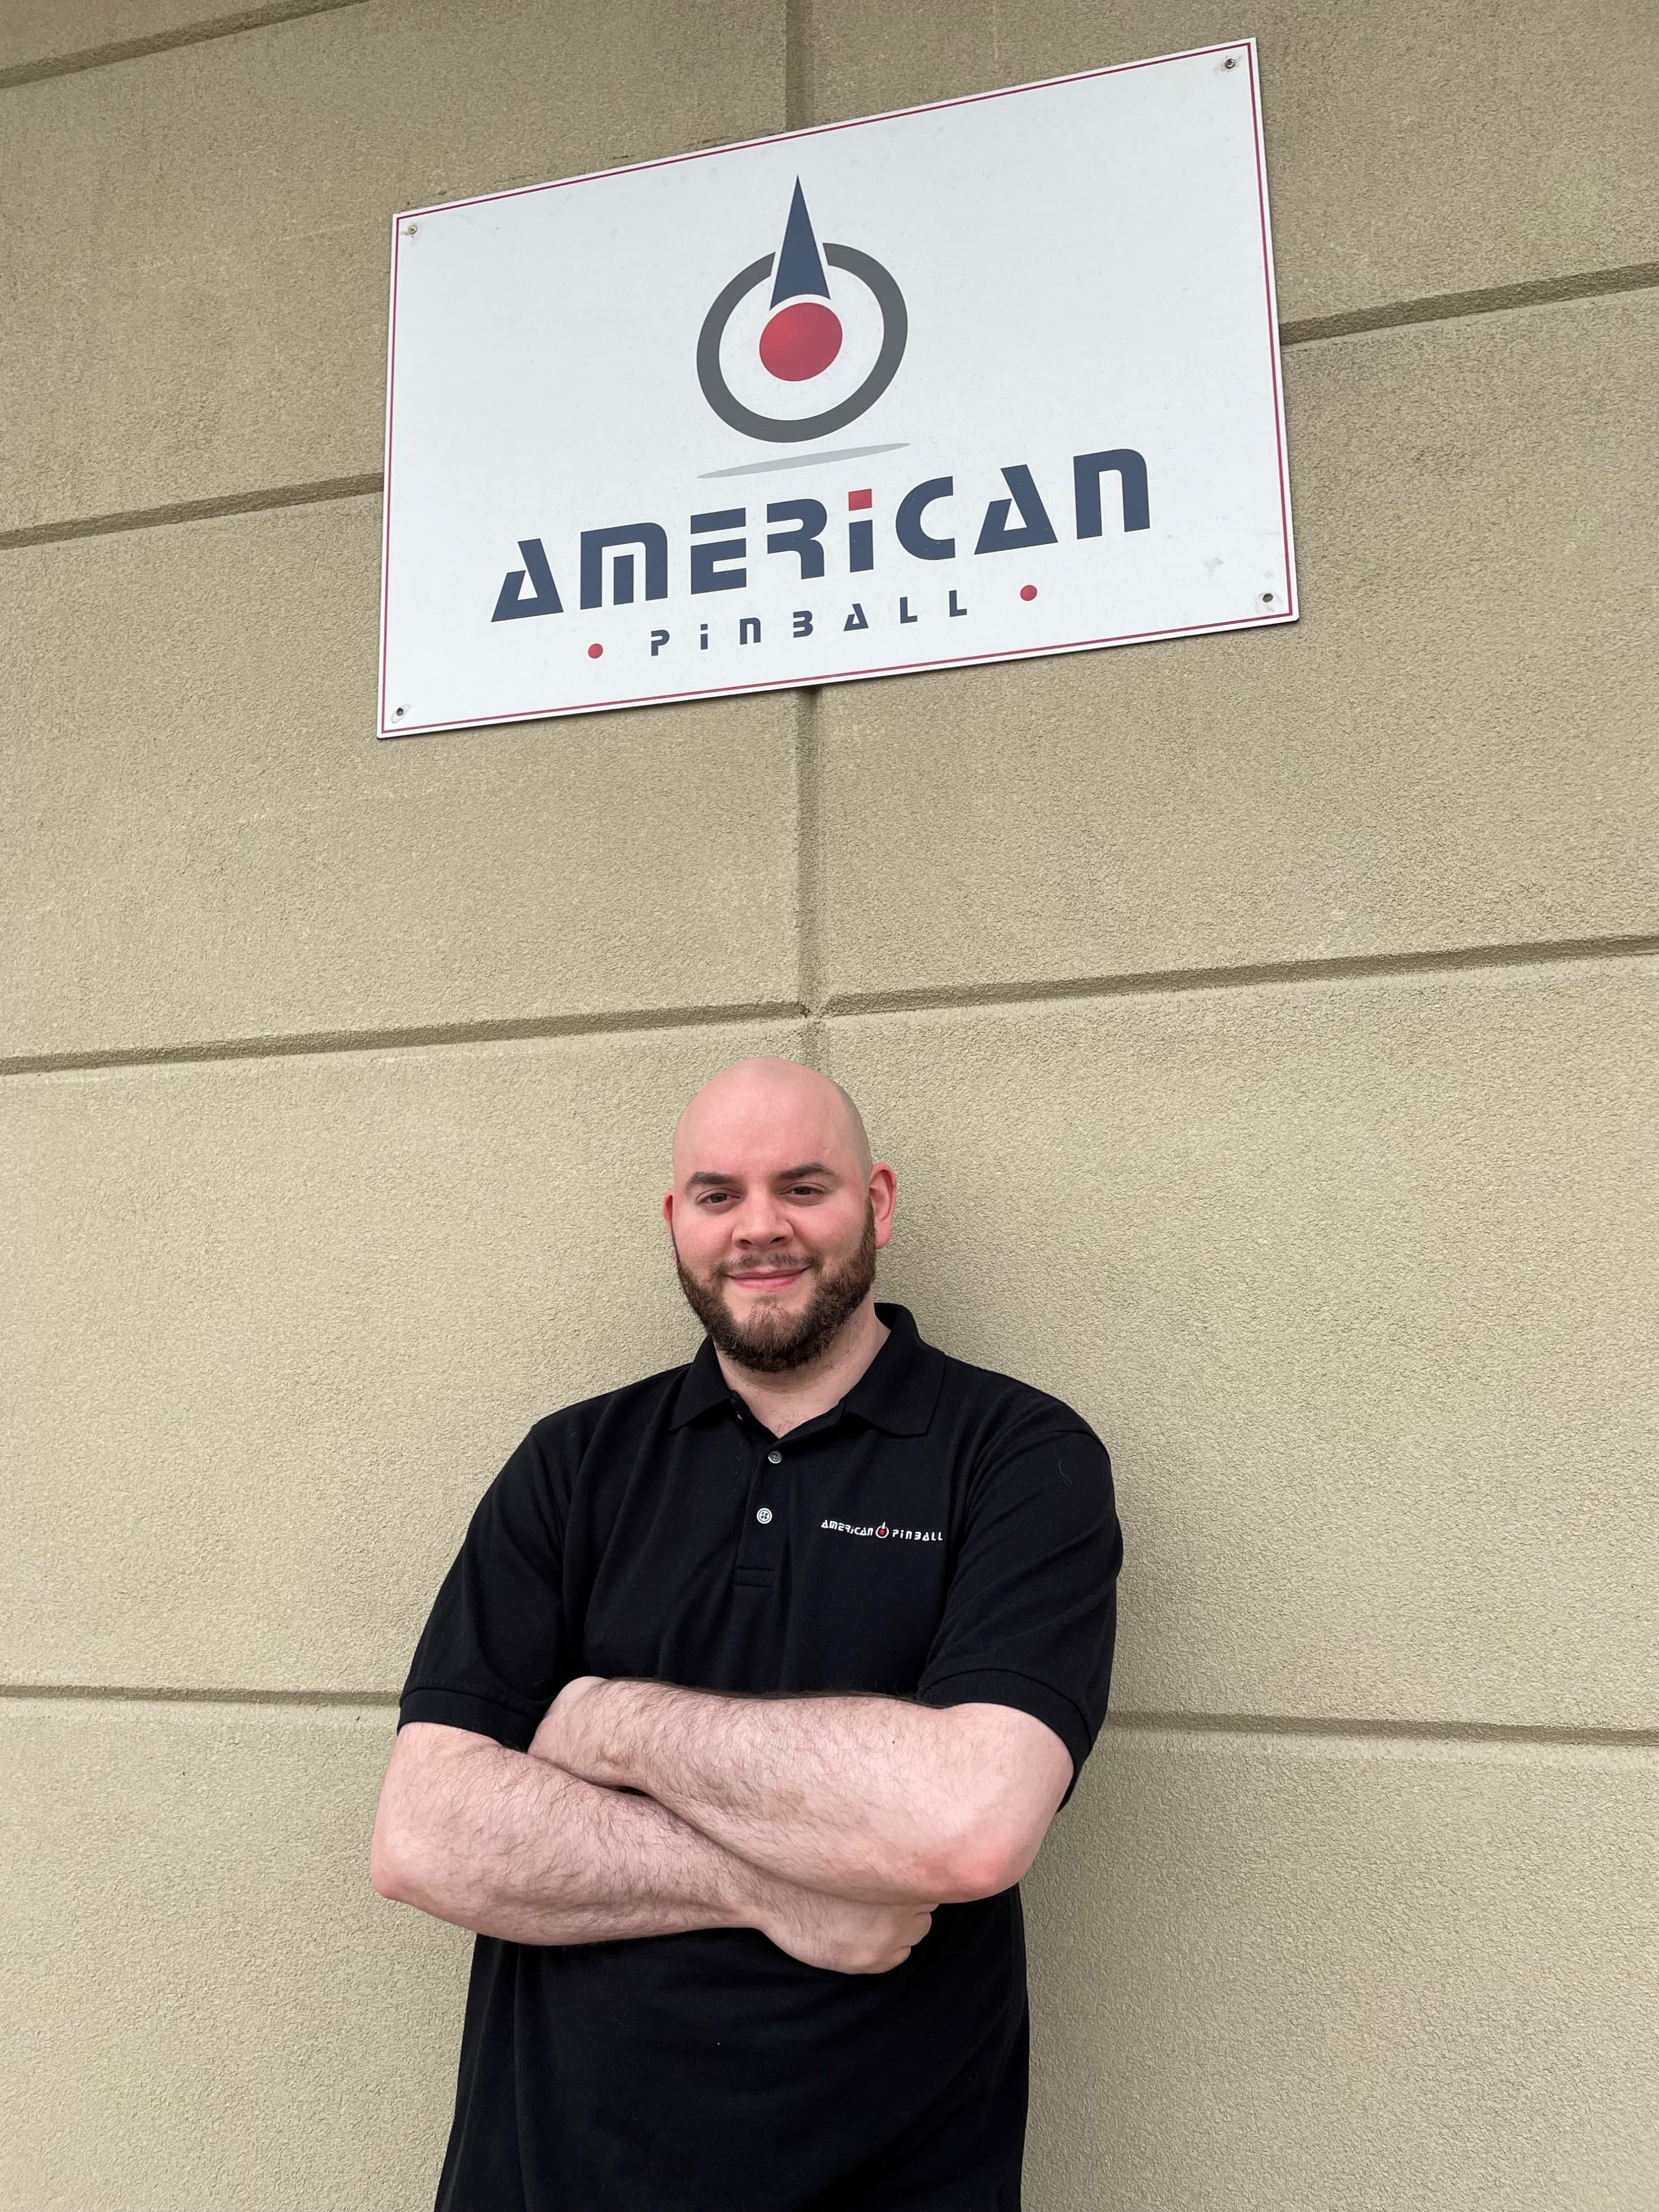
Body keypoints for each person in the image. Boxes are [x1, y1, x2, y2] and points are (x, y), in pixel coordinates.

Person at [372, 1055, 1121, 2211]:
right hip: (545, 2177)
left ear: (876, 1200)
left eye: (803, 1186)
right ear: (678, 1219)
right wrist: (775, 1884)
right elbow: (425, 1833)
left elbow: (967, 1822)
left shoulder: (1020, 1455)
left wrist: (606, 1720)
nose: (759, 1227)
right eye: (718, 1193)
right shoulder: (575, 1466)